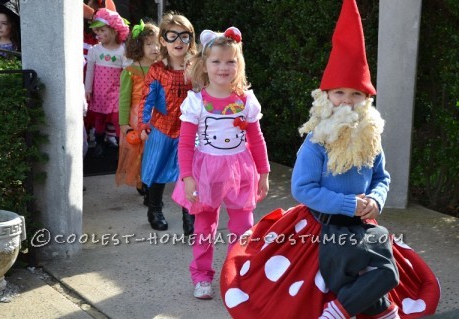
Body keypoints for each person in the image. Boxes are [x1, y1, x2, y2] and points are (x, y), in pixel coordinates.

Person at [220, 1, 440, 318]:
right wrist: (349, 204)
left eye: (356, 94)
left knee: (383, 267)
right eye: (339, 93)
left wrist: (376, 200)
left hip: (362, 223)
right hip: (320, 226)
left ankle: (369, 308)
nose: (347, 101)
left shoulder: (370, 136)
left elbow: (382, 177)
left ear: (367, 100)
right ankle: (358, 310)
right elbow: (303, 188)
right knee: (341, 269)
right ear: (326, 97)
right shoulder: (317, 140)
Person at [171, 27, 270, 300]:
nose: (223, 67)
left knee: (243, 227)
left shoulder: (246, 100)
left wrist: (264, 172)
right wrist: (188, 176)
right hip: (206, 172)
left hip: (241, 171)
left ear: (239, 65)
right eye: (216, 61)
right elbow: (186, 143)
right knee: (204, 228)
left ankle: (235, 275)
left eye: (230, 61)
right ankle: (202, 276)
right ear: (204, 65)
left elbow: (257, 138)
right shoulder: (196, 102)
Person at [137, 12, 196, 235]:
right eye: (173, 36)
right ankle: (154, 210)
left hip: (189, 131)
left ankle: (189, 215)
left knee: (189, 173)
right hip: (161, 127)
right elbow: (147, 99)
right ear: (163, 40)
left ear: (191, 39)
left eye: (184, 36)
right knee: (157, 169)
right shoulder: (157, 70)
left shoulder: (196, 67)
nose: (179, 42)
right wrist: (143, 125)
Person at [116, 20, 160, 200]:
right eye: (149, 44)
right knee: (139, 153)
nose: (155, 47)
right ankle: (141, 181)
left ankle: (151, 184)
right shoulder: (129, 71)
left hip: (158, 116)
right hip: (137, 117)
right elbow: (124, 99)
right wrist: (124, 124)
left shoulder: (162, 69)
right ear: (138, 46)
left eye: (158, 43)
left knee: (155, 151)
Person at [84, 8, 130, 158]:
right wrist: (87, 89)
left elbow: (127, 74)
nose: (98, 34)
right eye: (97, 31)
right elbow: (90, 70)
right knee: (99, 119)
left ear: (114, 30)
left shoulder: (122, 51)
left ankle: (121, 146)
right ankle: (99, 144)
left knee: (118, 119)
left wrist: (126, 93)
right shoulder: (95, 50)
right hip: (99, 93)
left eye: (102, 30)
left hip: (116, 93)